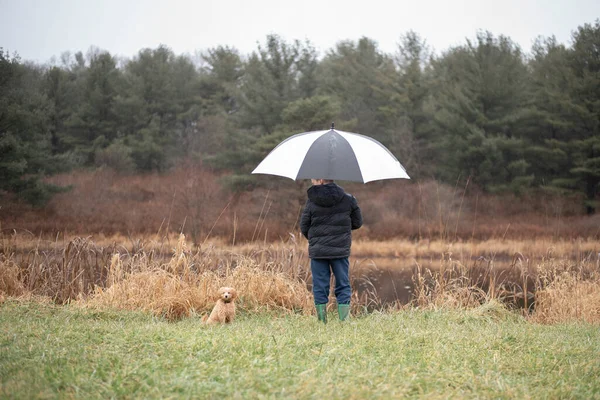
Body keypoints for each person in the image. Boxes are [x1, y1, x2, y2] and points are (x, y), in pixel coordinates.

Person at [300, 178, 362, 323]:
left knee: (320, 285)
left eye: (313, 179)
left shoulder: (311, 201)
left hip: (318, 251)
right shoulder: (349, 199)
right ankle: (344, 321)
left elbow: (304, 226)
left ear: (320, 180)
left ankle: (322, 321)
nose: (312, 181)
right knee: (343, 283)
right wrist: (342, 231)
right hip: (340, 250)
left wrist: (315, 238)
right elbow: (358, 222)